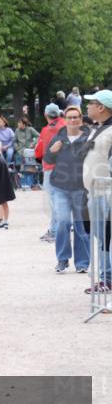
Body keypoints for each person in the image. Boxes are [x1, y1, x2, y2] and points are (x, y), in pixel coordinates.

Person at [43, 105, 90, 273]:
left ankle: (82, 263)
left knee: (81, 226)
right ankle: (62, 259)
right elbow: (47, 158)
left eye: (75, 117)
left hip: (80, 188)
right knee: (63, 222)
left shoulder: (88, 138)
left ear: (81, 119)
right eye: (69, 117)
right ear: (65, 119)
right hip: (60, 187)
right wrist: (52, 151)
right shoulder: (59, 136)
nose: (72, 120)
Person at [82, 90, 112, 293]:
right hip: (93, 191)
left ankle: (107, 277)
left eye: (91, 103)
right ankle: (106, 277)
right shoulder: (96, 128)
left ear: (101, 107)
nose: (87, 106)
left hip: (106, 191)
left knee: (106, 237)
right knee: (102, 238)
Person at [34, 103, 67, 242]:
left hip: (51, 168)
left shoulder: (47, 130)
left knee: (54, 201)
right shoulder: (65, 125)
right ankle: (57, 230)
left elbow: (39, 151)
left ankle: (56, 232)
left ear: (46, 115)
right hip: (66, 168)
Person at [14, 117, 40, 187]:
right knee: (20, 166)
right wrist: (17, 148)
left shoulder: (30, 129)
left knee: (31, 166)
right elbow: (14, 141)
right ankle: (23, 184)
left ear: (24, 124)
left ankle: (32, 183)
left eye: (20, 123)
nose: (18, 124)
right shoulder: (17, 130)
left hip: (29, 151)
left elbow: (39, 136)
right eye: (18, 123)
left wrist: (33, 144)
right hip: (20, 151)